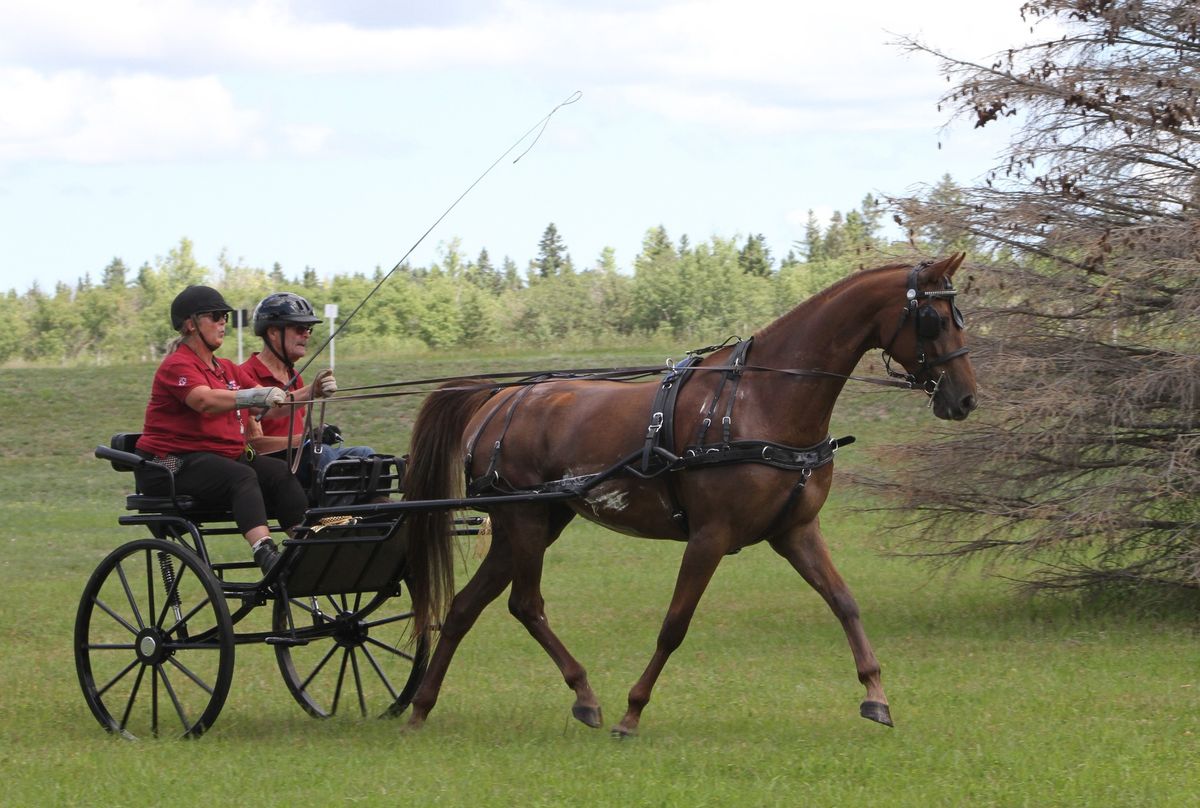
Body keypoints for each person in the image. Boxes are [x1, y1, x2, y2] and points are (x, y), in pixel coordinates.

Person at [134, 285, 335, 574]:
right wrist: (250, 397)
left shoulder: (226, 369)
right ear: (191, 324)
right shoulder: (176, 365)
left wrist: (311, 391)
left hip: (217, 460)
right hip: (168, 463)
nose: (222, 323)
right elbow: (204, 401)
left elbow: (271, 404)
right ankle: (265, 552)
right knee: (241, 476)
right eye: (215, 316)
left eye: (225, 317)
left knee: (280, 473)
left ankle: (306, 547)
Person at [241, 292, 376, 496]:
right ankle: (333, 524)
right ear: (273, 332)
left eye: (309, 329)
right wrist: (307, 440)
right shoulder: (245, 376)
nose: (307, 334)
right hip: (271, 467)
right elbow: (254, 445)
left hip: (302, 458)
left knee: (365, 454)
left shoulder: (295, 377)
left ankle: (372, 518)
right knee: (321, 454)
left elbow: (300, 434)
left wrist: (318, 434)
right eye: (300, 328)